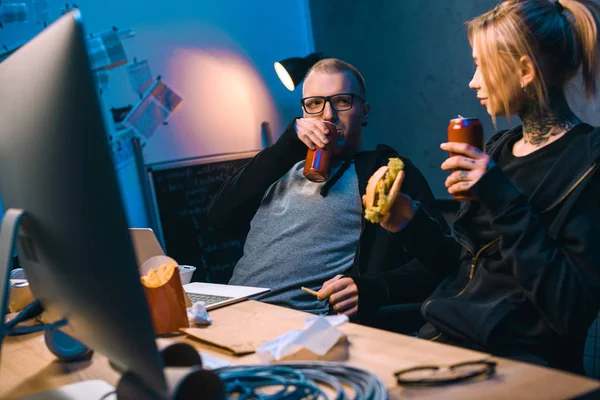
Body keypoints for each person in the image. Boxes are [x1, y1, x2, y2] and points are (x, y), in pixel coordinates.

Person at [364, 0, 600, 374]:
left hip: (517, 363)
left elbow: (568, 309)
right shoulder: (498, 148)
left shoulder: (589, 162)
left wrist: (501, 196)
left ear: (524, 70)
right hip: (442, 343)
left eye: (481, 65)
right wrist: (409, 221)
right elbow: (461, 270)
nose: (473, 80)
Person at [208, 58, 446, 318]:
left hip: (303, 324)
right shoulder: (280, 164)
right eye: (314, 104)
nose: (328, 115)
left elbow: (442, 263)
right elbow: (219, 218)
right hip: (230, 314)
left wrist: (374, 289)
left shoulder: (385, 172)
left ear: (364, 111)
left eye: (342, 101)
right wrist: (286, 145)